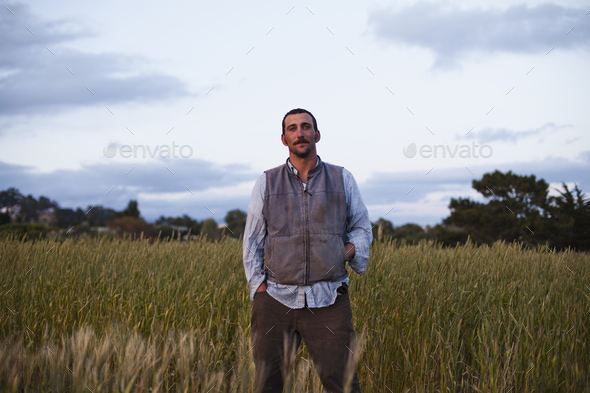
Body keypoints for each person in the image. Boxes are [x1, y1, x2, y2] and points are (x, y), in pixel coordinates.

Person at [243, 108, 373, 393]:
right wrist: (259, 288)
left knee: (343, 385)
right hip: (275, 299)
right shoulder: (267, 181)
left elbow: (362, 228)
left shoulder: (342, 178)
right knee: (268, 385)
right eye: (292, 128)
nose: (299, 133)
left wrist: (345, 252)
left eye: (305, 127)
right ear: (283, 138)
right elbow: (252, 239)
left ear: (317, 134)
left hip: (328, 300)